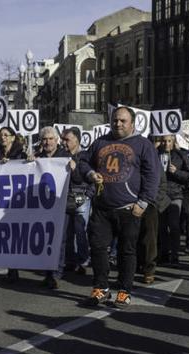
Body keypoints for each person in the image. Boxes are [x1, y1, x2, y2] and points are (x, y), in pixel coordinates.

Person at [78, 106, 161, 307]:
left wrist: (142, 203)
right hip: (102, 208)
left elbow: (153, 175)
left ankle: (124, 290)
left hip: (129, 208)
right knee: (98, 248)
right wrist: (90, 174)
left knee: (127, 251)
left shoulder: (143, 145)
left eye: (123, 120)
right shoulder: (100, 142)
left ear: (132, 123)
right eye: (115, 120)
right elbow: (82, 162)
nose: (118, 124)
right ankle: (101, 287)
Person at [36, 126, 73, 289]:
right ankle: (48, 272)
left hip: (60, 204)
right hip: (42, 206)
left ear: (57, 140)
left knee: (60, 238)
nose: (47, 142)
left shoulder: (65, 157)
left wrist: (73, 165)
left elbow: (77, 177)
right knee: (45, 238)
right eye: (44, 139)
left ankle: (56, 273)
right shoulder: (37, 158)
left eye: (51, 138)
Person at [155, 135, 189, 266]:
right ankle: (164, 254)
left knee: (174, 226)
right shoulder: (155, 154)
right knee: (161, 227)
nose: (166, 144)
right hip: (160, 195)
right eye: (164, 141)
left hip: (175, 195)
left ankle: (175, 255)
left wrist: (176, 172)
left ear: (173, 141)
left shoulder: (181, 155)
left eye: (169, 141)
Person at [61, 127, 91, 275]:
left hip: (81, 198)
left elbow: (81, 179)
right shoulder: (61, 156)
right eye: (63, 140)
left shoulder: (85, 156)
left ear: (77, 140)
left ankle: (83, 261)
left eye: (67, 140)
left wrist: (74, 170)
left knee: (80, 231)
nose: (64, 143)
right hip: (65, 199)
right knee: (68, 231)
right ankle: (70, 260)